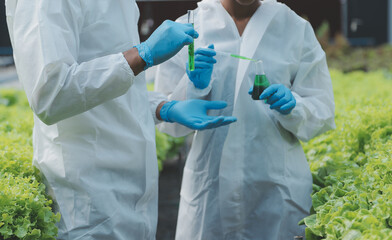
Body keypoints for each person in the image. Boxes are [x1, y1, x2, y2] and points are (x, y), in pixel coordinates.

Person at [5, 0, 237, 239]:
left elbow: (114, 86)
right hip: (88, 201)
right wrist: (142, 55)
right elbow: (50, 94)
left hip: (135, 199)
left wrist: (163, 107)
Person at [155, 0, 336, 239]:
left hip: (275, 188)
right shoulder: (190, 27)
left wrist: (295, 106)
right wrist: (194, 87)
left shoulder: (293, 27)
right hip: (211, 188)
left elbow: (322, 109)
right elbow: (169, 123)